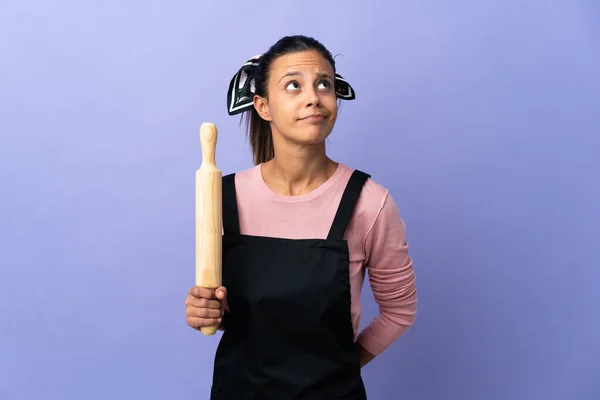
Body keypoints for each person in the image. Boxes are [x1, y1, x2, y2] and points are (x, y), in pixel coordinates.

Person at [185, 35, 417, 399]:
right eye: (293, 85)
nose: (314, 97)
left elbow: (399, 311)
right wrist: (206, 311)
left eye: (324, 84)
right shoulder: (222, 197)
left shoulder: (369, 203)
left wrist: (338, 370)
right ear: (262, 106)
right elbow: (224, 307)